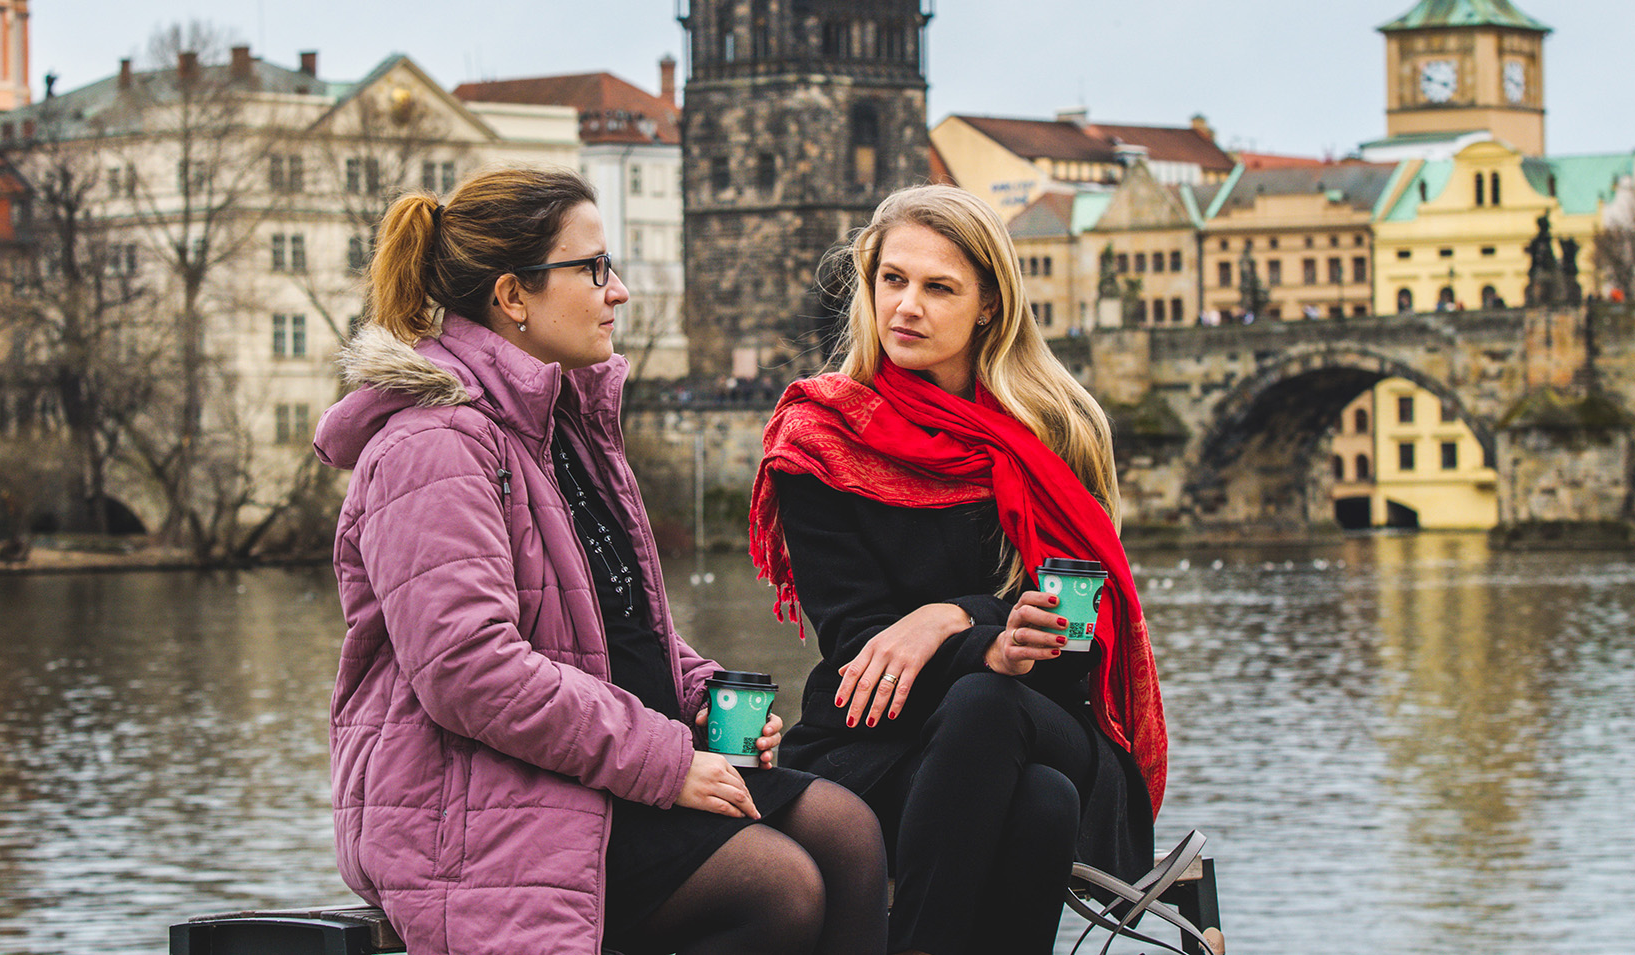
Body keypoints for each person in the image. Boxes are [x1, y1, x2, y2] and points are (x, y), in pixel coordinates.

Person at [316, 167, 886, 955]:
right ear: (513, 296)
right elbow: (470, 672)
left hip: (598, 770)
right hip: (482, 803)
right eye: (592, 268)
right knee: (779, 886)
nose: (616, 290)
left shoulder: (566, 425)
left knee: (849, 830)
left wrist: (701, 694)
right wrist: (664, 761)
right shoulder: (432, 444)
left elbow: (615, 624)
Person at [748, 185, 1168, 955]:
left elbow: (1074, 634)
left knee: (990, 702)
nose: (906, 306)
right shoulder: (820, 437)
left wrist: (951, 617)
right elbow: (855, 646)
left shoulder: (1054, 430)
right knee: (1036, 802)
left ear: (987, 306)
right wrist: (987, 633)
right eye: (892, 280)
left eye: (938, 287)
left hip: (1050, 713)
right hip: (882, 726)